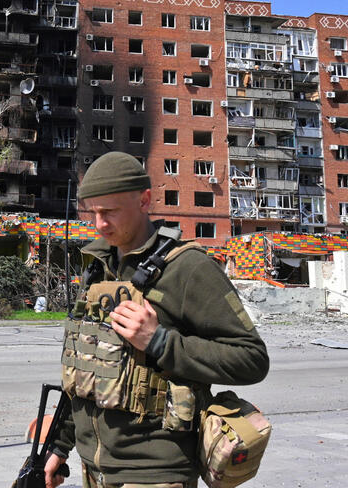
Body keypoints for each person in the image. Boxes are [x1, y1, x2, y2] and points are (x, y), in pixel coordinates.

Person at [44, 152, 269, 488]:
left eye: (110, 212)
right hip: (95, 470)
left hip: (156, 474)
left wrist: (160, 341)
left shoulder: (188, 268)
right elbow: (86, 368)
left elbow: (251, 359)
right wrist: (59, 446)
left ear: (144, 200)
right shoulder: (97, 267)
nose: (99, 224)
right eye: (93, 212)